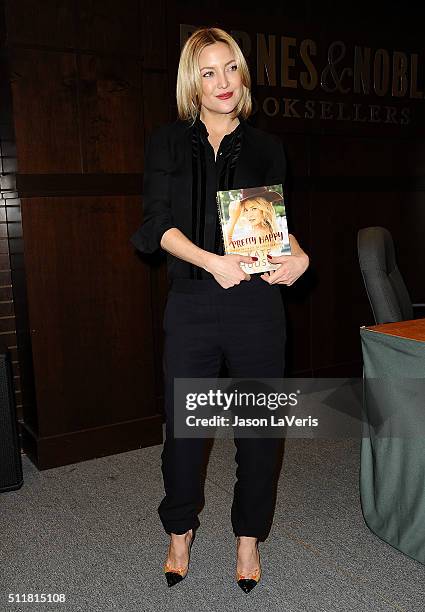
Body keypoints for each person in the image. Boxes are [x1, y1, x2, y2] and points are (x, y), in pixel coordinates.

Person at [130, 26, 309, 593]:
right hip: (192, 303)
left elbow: (269, 228)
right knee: (186, 429)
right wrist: (212, 261)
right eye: (208, 72)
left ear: (242, 74)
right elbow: (156, 226)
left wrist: (297, 254)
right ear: (193, 83)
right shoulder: (165, 144)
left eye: (230, 67)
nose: (223, 82)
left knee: (259, 431)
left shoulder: (265, 148)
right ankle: (179, 529)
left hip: (258, 305)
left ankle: (248, 539)